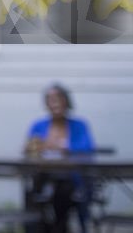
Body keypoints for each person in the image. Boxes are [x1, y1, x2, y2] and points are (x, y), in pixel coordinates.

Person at [24, 83, 96, 233]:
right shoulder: (38, 125)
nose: (55, 103)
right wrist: (33, 148)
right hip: (43, 174)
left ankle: (60, 227)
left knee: (63, 192)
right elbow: (30, 148)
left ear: (67, 102)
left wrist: (65, 148)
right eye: (51, 99)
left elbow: (87, 148)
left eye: (59, 98)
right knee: (32, 194)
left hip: (71, 177)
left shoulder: (79, 125)